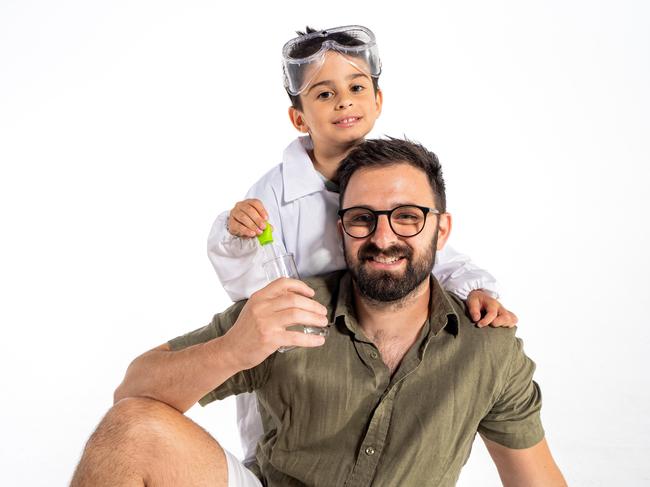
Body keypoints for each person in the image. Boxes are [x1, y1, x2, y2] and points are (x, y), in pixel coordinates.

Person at [71, 138, 566, 487]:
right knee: (133, 431)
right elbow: (132, 393)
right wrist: (236, 348)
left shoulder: (489, 347)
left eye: (408, 218)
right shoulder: (288, 309)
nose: (383, 236)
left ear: (442, 229)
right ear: (341, 228)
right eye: (362, 219)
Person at [207, 25, 518, 463]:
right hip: (306, 352)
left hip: (377, 346)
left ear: (378, 101)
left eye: (356, 87)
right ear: (299, 117)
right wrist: (235, 234)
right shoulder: (273, 193)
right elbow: (247, 284)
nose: (344, 101)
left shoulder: (393, 179)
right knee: (287, 439)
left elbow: (429, 254)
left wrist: (475, 290)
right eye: (324, 94)